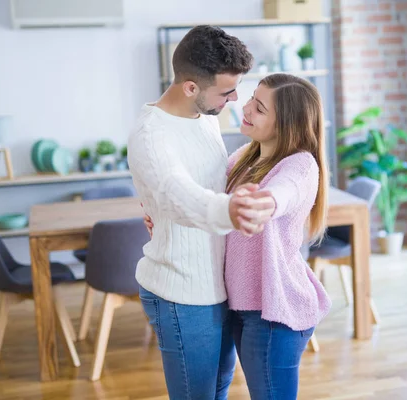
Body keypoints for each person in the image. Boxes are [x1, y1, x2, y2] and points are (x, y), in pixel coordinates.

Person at [145, 73, 332, 399]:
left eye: (259, 108)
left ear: (286, 124)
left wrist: (264, 204)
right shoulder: (244, 157)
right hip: (241, 305)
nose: (245, 107)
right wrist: (169, 217)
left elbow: (282, 193)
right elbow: (206, 203)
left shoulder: (300, 165)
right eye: (251, 99)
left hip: (274, 311)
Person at [127, 25, 276, 400]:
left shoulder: (208, 117)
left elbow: (208, 181)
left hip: (217, 284)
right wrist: (231, 209)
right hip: (182, 292)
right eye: (226, 91)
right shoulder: (151, 135)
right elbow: (179, 193)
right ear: (190, 87)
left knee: (218, 390)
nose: (235, 99)